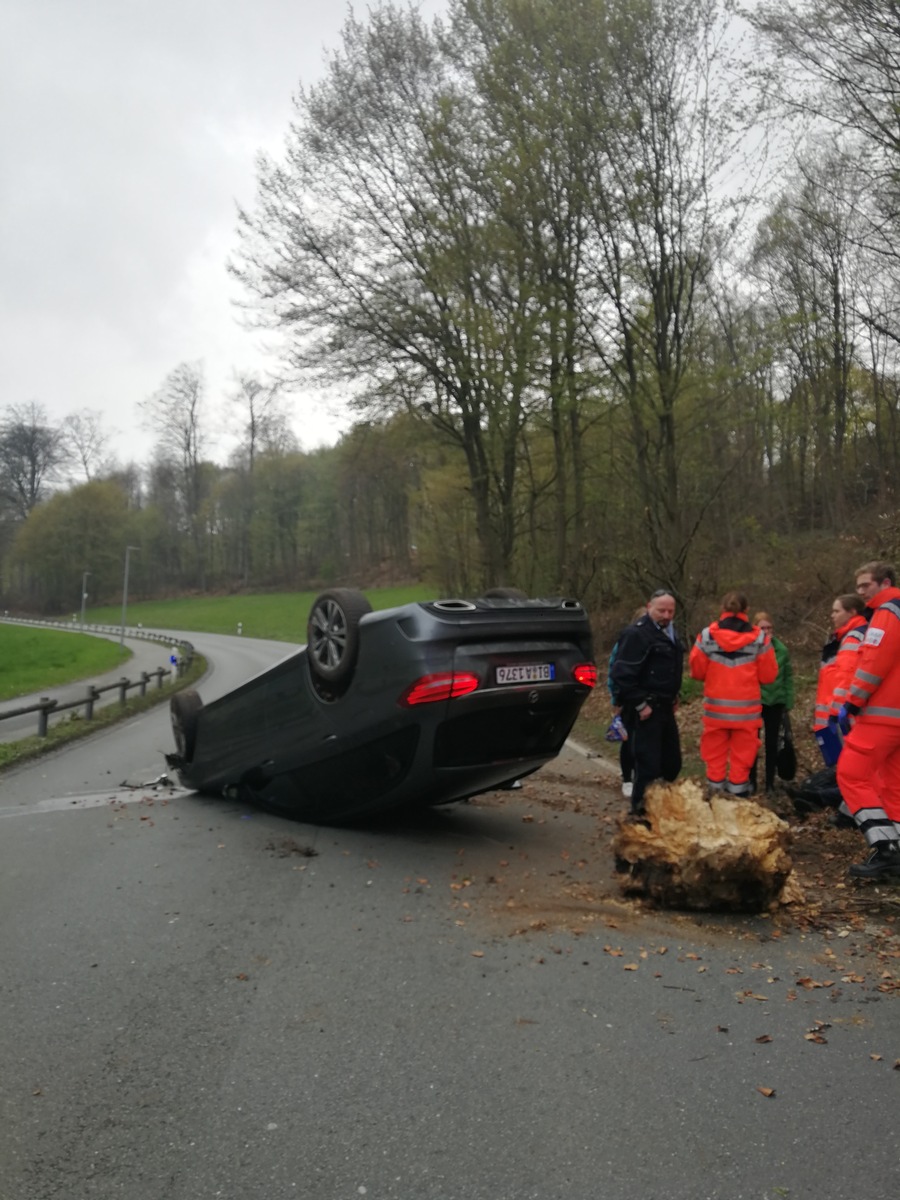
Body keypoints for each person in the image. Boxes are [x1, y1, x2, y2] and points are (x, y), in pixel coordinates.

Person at [832, 563, 900, 878]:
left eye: (865, 586)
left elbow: (874, 662)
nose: (861, 592)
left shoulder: (888, 613)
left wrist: (853, 703)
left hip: (883, 715)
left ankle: (885, 847)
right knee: (892, 784)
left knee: (850, 773)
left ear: (885, 583)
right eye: (857, 587)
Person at [689, 591, 777, 796]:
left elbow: (697, 671)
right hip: (747, 714)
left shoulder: (707, 636)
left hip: (715, 712)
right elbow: (768, 676)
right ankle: (738, 798)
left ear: (723, 609)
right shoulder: (760, 638)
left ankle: (714, 796)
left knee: (714, 756)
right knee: (742, 759)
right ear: (746, 610)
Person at [609, 590, 683, 820]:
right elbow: (621, 675)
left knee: (672, 763)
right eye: (662, 610)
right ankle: (640, 814)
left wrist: (674, 695)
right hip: (645, 710)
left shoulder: (670, 634)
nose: (667, 615)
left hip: (665, 706)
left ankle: (659, 807)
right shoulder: (636, 634)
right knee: (647, 766)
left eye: (671, 611)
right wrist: (640, 705)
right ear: (649, 606)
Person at [813, 594, 866, 763]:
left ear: (851, 612)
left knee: (848, 767)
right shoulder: (840, 639)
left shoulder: (853, 638)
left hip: (843, 717)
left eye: (837, 611)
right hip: (835, 714)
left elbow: (845, 679)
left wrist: (836, 712)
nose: (832, 615)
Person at [750, 612, 794, 794]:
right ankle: (750, 781)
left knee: (772, 744)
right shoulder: (750, 649)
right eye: (762, 628)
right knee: (752, 744)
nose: (767, 631)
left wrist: (788, 701)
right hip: (755, 701)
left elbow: (787, 677)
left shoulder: (781, 650)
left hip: (776, 702)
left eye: (769, 628)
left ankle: (769, 782)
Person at [607, 605, 647, 799]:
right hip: (627, 699)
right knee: (628, 740)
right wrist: (615, 699)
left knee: (645, 742)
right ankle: (627, 779)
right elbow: (614, 670)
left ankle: (642, 776)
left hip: (647, 697)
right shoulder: (625, 642)